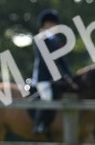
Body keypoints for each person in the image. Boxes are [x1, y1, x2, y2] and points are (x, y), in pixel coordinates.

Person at [30, 9, 75, 137]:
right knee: (47, 97)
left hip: (54, 77)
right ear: (44, 25)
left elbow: (61, 60)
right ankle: (38, 125)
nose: (54, 26)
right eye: (51, 24)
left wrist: (69, 75)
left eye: (54, 24)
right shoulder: (40, 39)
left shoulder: (55, 40)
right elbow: (44, 61)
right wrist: (56, 76)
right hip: (43, 77)